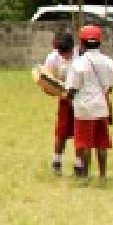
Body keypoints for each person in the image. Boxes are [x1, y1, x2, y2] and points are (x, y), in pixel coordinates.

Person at [65, 24, 113, 181]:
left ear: (82, 43)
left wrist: (67, 96)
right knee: (101, 143)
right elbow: (110, 87)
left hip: (84, 107)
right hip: (101, 106)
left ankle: (85, 175)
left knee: (84, 143)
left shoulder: (78, 63)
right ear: (100, 41)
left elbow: (72, 88)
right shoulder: (109, 62)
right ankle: (102, 175)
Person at [43, 31, 76, 176]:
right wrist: (54, 90)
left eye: (66, 52)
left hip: (80, 97)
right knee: (61, 131)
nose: (64, 55)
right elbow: (46, 80)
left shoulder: (80, 56)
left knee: (80, 132)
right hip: (64, 97)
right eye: (61, 52)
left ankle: (79, 163)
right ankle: (56, 161)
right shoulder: (52, 58)